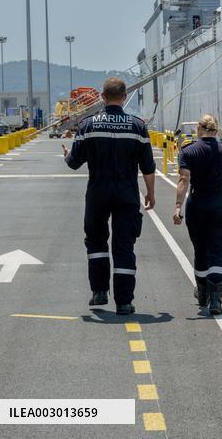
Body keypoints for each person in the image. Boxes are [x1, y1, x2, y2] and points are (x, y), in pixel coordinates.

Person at [63, 77, 155, 316]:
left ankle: (99, 292)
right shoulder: (137, 126)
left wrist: (66, 155)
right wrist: (151, 194)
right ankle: (124, 302)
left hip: (98, 192)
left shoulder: (88, 125)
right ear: (124, 97)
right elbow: (148, 166)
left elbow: (74, 162)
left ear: (102, 97)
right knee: (124, 245)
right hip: (127, 193)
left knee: (96, 242)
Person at [173, 114, 222, 315]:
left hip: (197, 204)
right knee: (218, 250)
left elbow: (184, 179)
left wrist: (177, 207)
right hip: (220, 203)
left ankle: (202, 294)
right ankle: (216, 300)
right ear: (216, 131)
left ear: (198, 130)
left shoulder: (188, 151)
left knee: (200, 249)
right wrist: (216, 186)